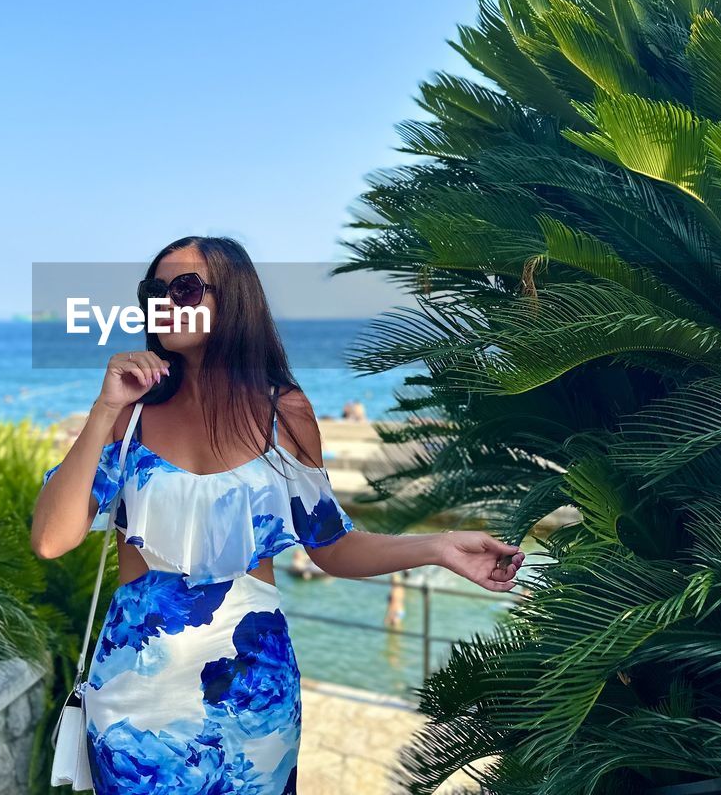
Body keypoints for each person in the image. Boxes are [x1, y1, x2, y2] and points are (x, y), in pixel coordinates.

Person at [31, 235, 524, 794]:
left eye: (186, 288)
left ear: (235, 299)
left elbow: (332, 546)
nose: (167, 301)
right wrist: (105, 409)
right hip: (135, 702)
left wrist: (438, 547)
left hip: (253, 698)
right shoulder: (130, 418)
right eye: (155, 290)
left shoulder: (283, 414)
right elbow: (50, 539)